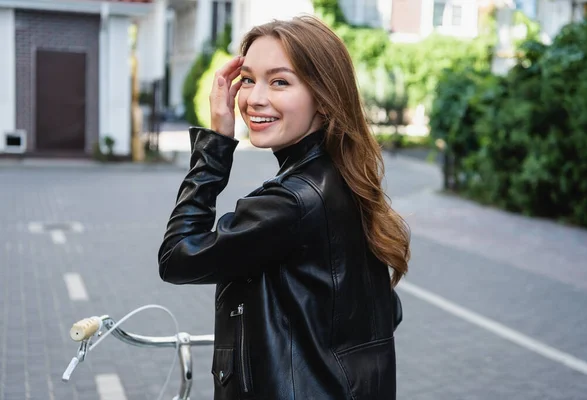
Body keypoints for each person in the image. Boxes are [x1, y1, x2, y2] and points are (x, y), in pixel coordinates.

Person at [158, 15, 410, 400]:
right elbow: (384, 311)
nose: (255, 98)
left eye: (280, 82)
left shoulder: (291, 201)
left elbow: (178, 256)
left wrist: (214, 149)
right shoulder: (349, 180)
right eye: (248, 79)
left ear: (324, 99)